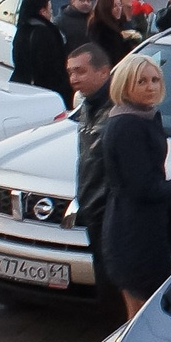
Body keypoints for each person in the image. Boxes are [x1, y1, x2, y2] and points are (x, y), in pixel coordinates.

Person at [97, 53, 171, 319]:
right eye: (142, 81)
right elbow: (142, 187)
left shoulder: (141, 117)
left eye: (155, 80)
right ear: (125, 85)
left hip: (138, 225)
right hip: (136, 233)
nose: (151, 86)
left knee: (139, 310)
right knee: (143, 313)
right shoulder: (128, 125)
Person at [66, 41, 116, 308]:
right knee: (104, 283)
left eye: (80, 72)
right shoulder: (87, 105)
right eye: (71, 73)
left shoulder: (119, 109)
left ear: (104, 72)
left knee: (116, 285)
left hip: (112, 211)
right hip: (93, 207)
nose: (74, 79)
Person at [9, 0, 71, 105]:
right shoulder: (46, 32)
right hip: (45, 93)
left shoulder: (22, 29)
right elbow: (53, 67)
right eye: (50, 9)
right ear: (42, 11)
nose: (51, 13)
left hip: (21, 87)